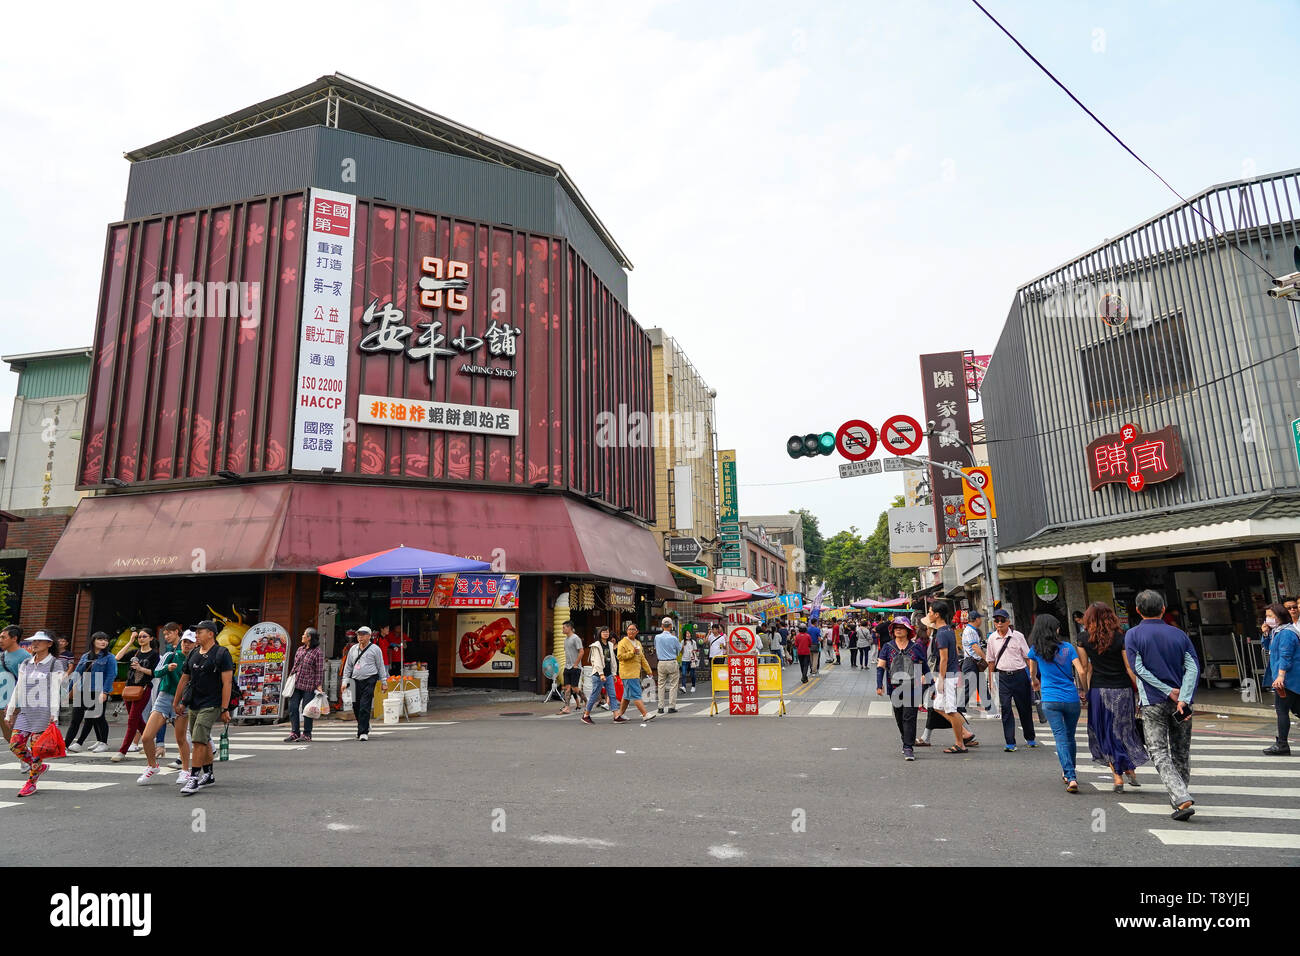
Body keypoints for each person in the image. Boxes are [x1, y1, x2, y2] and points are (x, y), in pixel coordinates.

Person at [1124, 590, 1199, 820]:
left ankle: (1180, 796)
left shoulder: (1133, 635)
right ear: (1163, 609)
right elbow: (1193, 668)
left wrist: (1167, 691)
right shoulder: (1179, 635)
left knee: (1158, 751)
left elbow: (1139, 669)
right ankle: (1180, 796)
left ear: (1137, 610)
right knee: (1181, 751)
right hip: (1181, 704)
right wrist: (1183, 697)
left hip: (1152, 701)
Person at [1078, 602, 1147, 790]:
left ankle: (1117, 776)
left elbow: (1085, 669)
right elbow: (1129, 667)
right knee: (1124, 729)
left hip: (1099, 691)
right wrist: (1140, 690)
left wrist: (1085, 690)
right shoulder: (1121, 637)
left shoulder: (1083, 639)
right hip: (1123, 689)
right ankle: (1130, 768)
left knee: (1106, 731)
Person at [1027, 613, 1087, 793]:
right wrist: (1084, 690)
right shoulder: (1068, 648)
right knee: (1070, 737)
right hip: (1071, 698)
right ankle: (1070, 772)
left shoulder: (1035, 650)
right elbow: (1081, 672)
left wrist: (1035, 682)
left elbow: (1032, 672)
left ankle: (1070, 776)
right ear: (1055, 630)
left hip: (1050, 699)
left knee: (1060, 737)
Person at [173, 620, 233, 795]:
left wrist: (224, 708)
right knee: (203, 738)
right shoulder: (193, 654)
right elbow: (185, 679)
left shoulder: (222, 653)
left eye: (200, 632)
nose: (196, 635)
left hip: (212, 703)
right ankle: (208, 773)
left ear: (211, 634)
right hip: (194, 703)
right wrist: (177, 702)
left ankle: (194, 777)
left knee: (198, 739)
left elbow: (227, 682)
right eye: (196, 632)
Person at [4, 631, 58, 796]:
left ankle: (31, 782)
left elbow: (56, 690)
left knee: (36, 749)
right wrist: (10, 711)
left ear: (49, 644)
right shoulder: (26, 662)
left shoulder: (55, 664)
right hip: (26, 711)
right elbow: (18, 688)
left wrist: (54, 714)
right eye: (34, 641)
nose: (35, 644)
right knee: (15, 744)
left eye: (40, 641)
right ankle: (38, 767)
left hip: (43, 711)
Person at [136, 622, 186, 784]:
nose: (166, 637)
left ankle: (186, 770)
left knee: (181, 739)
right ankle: (152, 766)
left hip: (183, 699)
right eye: (164, 634)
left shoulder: (192, 656)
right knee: (146, 737)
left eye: (169, 634)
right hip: (164, 697)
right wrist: (167, 669)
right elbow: (156, 672)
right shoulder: (168, 654)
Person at [876, 616, 929, 761]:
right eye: (896, 628)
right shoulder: (887, 647)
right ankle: (906, 738)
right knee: (900, 717)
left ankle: (908, 747)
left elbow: (925, 667)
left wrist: (930, 685)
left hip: (913, 688)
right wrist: (879, 685)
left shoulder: (916, 647)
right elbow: (880, 667)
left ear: (908, 630)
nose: (898, 630)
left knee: (909, 717)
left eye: (901, 628)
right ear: (893, 631)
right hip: (894, 689)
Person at [985, 610, 1037, 751]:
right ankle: (1010, 742)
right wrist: (991, 681)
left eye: (1002, 620)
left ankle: (1030, 737)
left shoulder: (1018, 636)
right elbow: (990, 661)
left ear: (1008, 621)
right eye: (997, 621)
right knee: (1006, 709)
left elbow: (1027, 658)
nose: (999, 623)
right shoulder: (992, 639)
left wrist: (1032, 678)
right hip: (1002, 677)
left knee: (1024, 708)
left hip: (1020, 676)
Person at [928, 601, 976, 753]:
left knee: (950, 710)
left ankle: (960, 743)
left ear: (937, 615)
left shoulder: (942, 633)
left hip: (948, 675)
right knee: (938, 707)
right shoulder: (948, 629)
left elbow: (944, 658)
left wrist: (941, 679)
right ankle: (965, 733)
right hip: (951, 673)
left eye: (930, 612)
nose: (928, 614)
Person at [112, 627, 159, 762]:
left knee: (132, 720)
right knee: (137, 720)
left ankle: (123, 750)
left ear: (151, 638)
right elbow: (117, 657)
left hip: (143, 688)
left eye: (144, 636)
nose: (141, 639)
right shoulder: (135, 652)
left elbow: (154, 673)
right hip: (129, 688)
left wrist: (140, 668)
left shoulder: (154, 655)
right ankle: (150, 740)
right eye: (139, 637)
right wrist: (130, 641)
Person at [66, 632, 117, 752]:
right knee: (76, 719)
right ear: (93, 641)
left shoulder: (109, 657)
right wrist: (67, 690)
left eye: (105, 639)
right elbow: (77, 674)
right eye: (100, 639)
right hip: (82, 690)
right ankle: (65, 745)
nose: (103, 642)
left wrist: (105, 692)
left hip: (98, 690)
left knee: (97, 717)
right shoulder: (85, 656)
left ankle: (103, 742)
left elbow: (111, 675)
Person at [1264, 601, 1300, 755]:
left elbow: (1286, 655)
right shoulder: (1277, 631)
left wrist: (1280, 676)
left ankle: (1282, 744)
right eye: (1266, 616)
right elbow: (1268, 648)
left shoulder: (1286, 633)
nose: (1267, 619)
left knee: (1282, 710)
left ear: (1279, 616)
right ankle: (1282, 744)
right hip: (1289, 679)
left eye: (1270, 616)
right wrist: (1265, 633)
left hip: (1289, 679)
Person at [342, 626, 386, 740]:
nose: (360, 637)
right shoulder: (353, 649)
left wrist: (384, 682)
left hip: (370, 679)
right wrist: (345, 681)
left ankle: (363, 732)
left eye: (363, 634)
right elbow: (348, 666)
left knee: (364, 705)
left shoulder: (375, 649)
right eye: (358, 635)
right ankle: (364, 724)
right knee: (355, 705)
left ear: (369, 636)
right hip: (355, 679)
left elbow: (381, 666)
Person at [284, 627, 324, 742]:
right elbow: (295, 665)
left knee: (307, 710)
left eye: (304, 634)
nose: (302, 636)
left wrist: (318, 685)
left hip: (309, 685)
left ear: (309, 637)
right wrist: (290, 677)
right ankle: (295, 732)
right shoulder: (300, 649)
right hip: (296, 683)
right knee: (293, 707)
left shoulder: (317, 652)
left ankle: (307, 734)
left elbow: (319, 670)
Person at [614, 622, 655, 722]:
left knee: (627, 696)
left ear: (637, 632)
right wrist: (632, 653)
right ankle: (645, 714)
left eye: (633, 629)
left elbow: (642, 659)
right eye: (629, 629)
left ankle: (619, 715)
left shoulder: (638, 643)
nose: (631, 631)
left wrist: (648, 670)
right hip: (628, 673)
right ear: (627, 631)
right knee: (637, 694)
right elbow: (620, 657)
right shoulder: (622, 643)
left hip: (635, 673)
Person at [960, 610, 994, 718]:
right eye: (980, 618)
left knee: (982, 686)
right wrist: (986, 658)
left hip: (973, 662)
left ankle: (990, 710)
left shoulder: (973, 630)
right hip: (971, 662)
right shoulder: (970, 631)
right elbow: (974, 647)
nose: (981, 620)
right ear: (976, 619)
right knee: (969, 686)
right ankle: (959, 710)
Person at [581, 627, 618, 724]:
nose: (606, 633)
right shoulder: (596, 645)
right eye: (603, 632)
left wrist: (614, 673)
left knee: (612, 695)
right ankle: (586, 715)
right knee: (594, 695)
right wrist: (601, 674)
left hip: (608, 674)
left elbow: (612, 660)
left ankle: (616, 716)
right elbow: (597, 661)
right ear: (599, 633)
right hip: (598, 675)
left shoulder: (610, 644)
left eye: (607, 632)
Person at [654, 617, 682, 715]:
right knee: (673, 684)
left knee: (661, 685)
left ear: (662, 626)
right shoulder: (673, 638)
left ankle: (660, 707)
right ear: (671, 626)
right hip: (671, 662)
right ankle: (671, 706)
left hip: (661, 662)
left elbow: (655, 647)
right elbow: (679, 649)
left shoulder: (657, 637)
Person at [558, 620, 585, 715]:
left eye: (564, 627)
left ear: (569, 628)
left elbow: (581, 651)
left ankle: (586, 702)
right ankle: (567, 707)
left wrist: (576, 664)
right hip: (567, 666)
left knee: (575, 688)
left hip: (575, 667)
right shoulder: (565, 640)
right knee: (567, 688)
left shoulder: (575, 638)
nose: (563, 629)